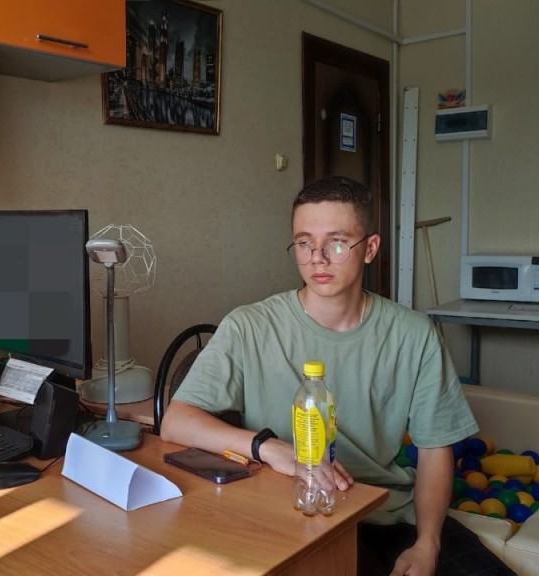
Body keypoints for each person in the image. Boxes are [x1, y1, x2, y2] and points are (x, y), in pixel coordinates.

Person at [161, 176, 514, 576]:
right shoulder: (249, 327)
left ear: (370, 249)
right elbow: (176, 422)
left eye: (337, 243)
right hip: (291, 510)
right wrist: (269, 448)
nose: (318, 258)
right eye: (304, 243)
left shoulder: (415, 335)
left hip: (386, 515)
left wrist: (427, 543)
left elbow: (434, 451)